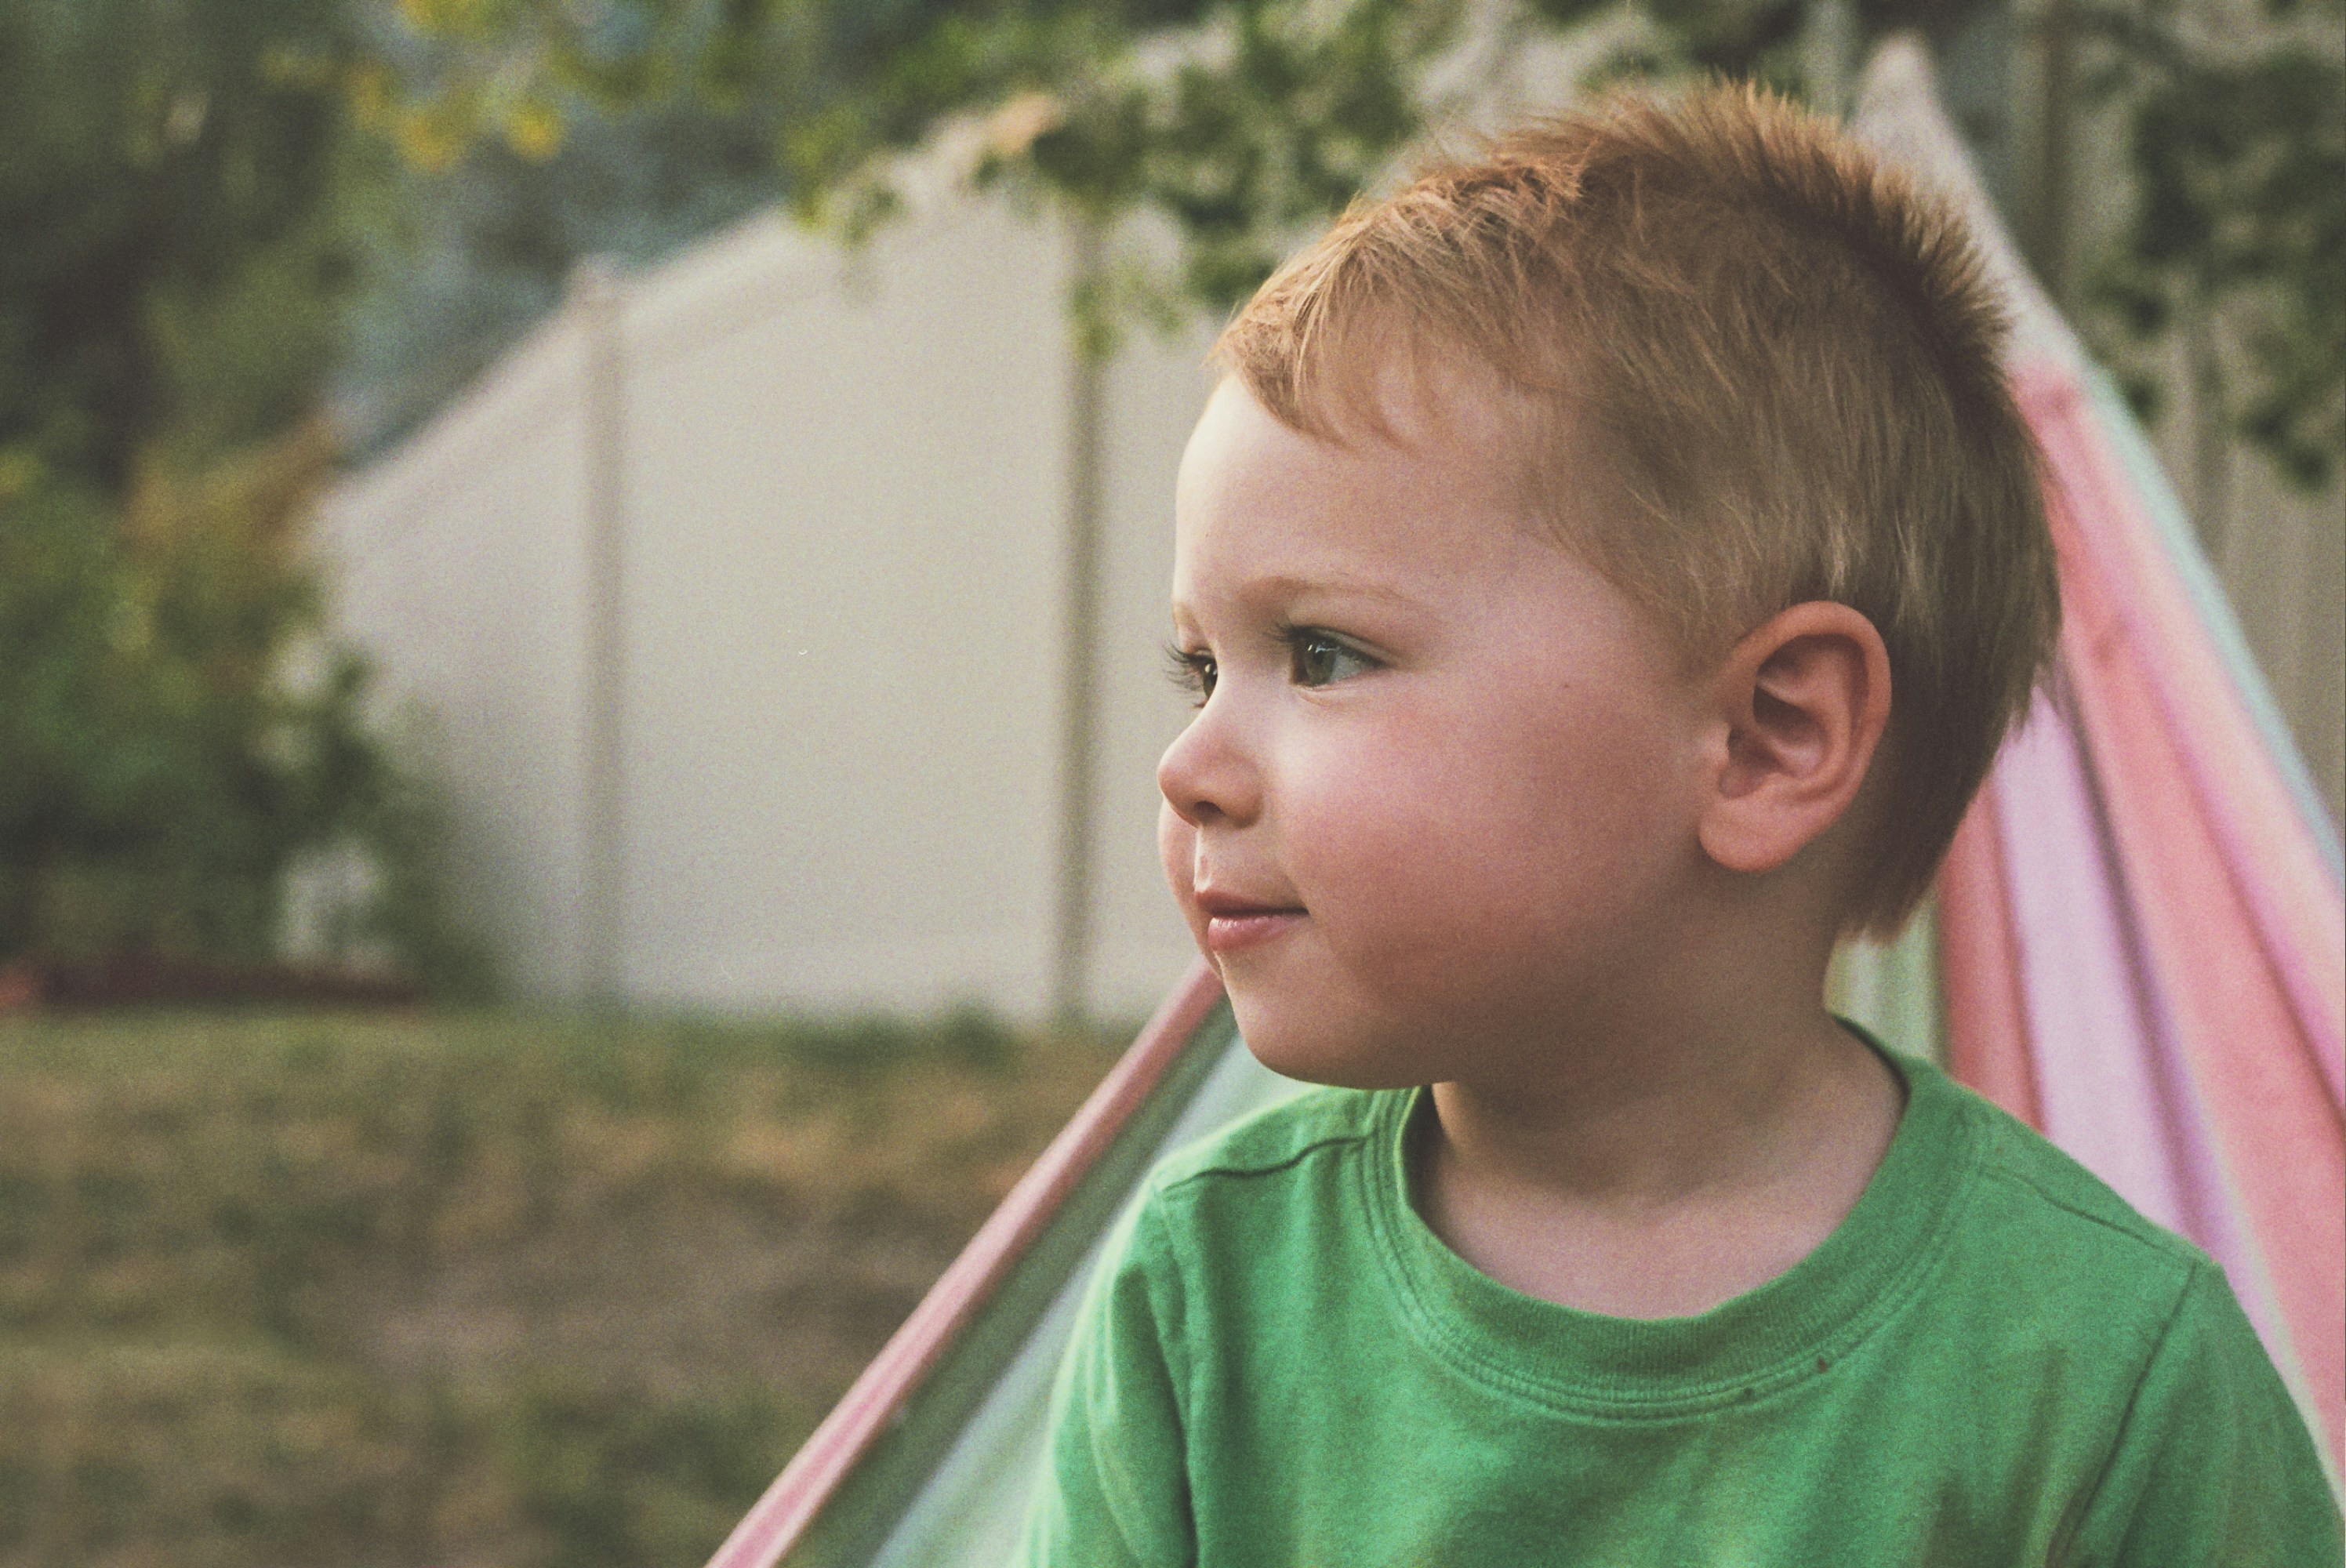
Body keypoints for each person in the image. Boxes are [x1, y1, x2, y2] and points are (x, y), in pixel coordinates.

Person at [1011, 83, 2342, 1565]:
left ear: (1768, 739)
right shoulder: (1204, 1296)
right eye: (1203, 668)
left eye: (1323, 654)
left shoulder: (2099, 1383)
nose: (1189, 764)